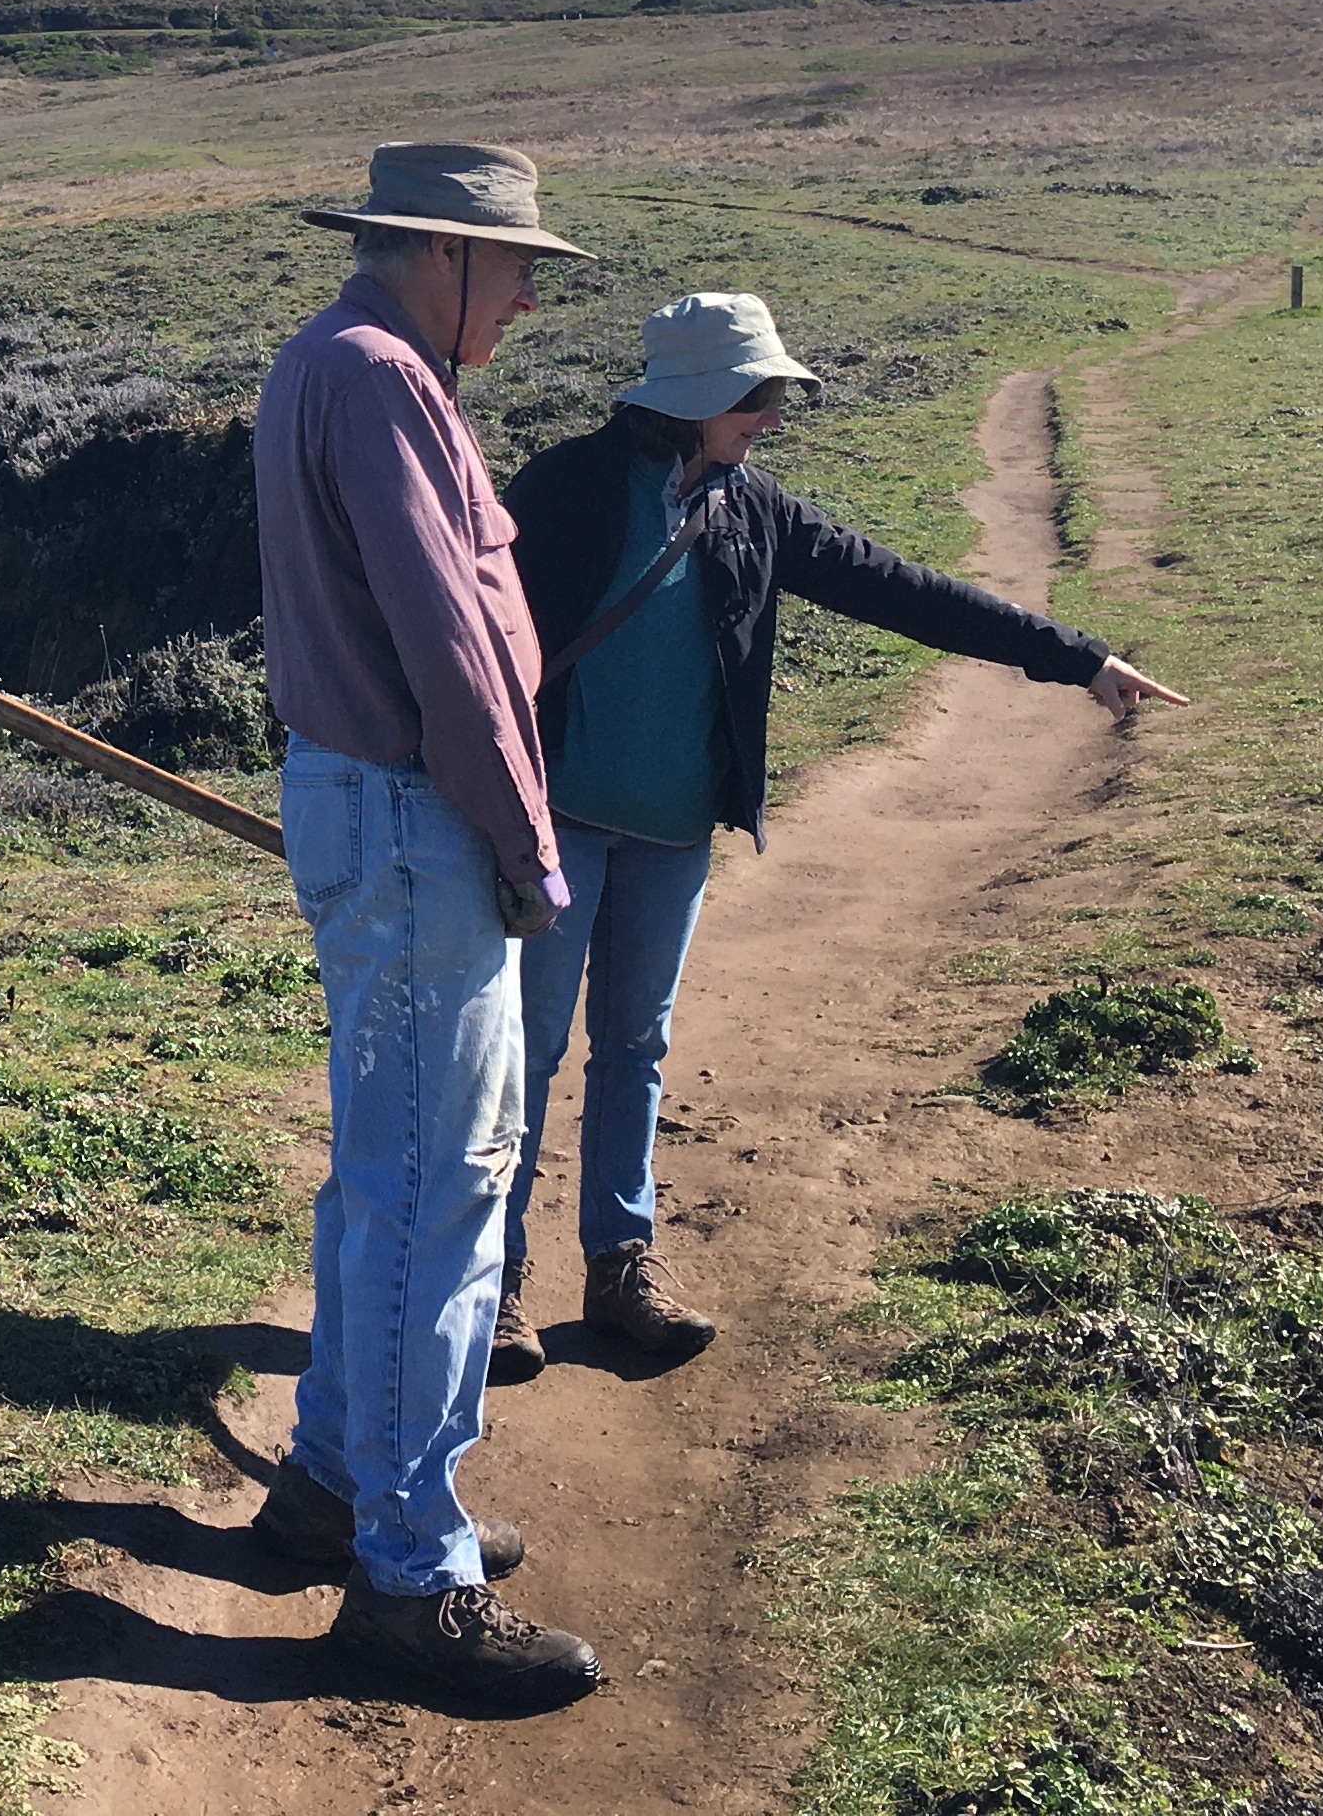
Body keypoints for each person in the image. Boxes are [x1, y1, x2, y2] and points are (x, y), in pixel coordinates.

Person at [494, 292, 1186, 1376]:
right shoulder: (566, 487)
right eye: (757, 397)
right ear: (693, 401)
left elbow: (900, 590)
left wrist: (1077, 656)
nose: (772, 416)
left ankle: (621, 1264)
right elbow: (474, 635)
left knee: (634, 1048)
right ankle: (495, 1280)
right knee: (525, 1054)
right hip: (559, 826)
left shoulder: (753, 509)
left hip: (673, 833)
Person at [242, 140, 604, 1711]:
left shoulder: (334, 360)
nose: (529, 293)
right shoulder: (383, 375)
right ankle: (408, 1571)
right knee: (435, 1196)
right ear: (439, 254)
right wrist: (527, 842)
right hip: (412, 818)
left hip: (372, 807)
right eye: (517, 264)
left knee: (391, 1176)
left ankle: (335, 1481)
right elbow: (453, 649)